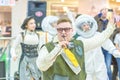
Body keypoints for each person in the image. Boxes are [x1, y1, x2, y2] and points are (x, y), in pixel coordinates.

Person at [36, 16, 115, 80]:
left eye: (67, 29)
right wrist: (57, 49)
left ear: (72, 31)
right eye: (60, 29)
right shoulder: (47, 48)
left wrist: (110, 27)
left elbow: (98, 40)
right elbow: (42, 66)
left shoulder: (79, 44)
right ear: (56, 31)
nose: (63, 32)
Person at [75, 14, 120, 80]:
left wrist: (115, 52)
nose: (86, 27)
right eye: (84, 25)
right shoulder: (79, 39)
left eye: (88, 24)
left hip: (100, 66)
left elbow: (108, 44)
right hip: (87, 68)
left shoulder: (97, 35)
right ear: (80, 27)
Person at [94, 8, 113, 80]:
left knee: (108, 67)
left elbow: (113, 31)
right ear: (100, 13)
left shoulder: (110, 22)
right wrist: (98, 15)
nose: (105, 13)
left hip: (108, 47)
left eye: (106, 12)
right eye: (103, 12)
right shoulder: (97, 21)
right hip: (99, 46)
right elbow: (93, 20)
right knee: (99, 66)